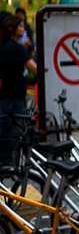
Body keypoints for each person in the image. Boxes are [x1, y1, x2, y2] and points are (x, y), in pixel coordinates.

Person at [0, 14, 37, 164]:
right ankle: (8, 165)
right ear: (12, 29)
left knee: (5, 132)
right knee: (12, 133)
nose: (24, 29)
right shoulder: (16, 48)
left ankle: (5, 164)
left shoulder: (6, 46)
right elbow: (35, 69)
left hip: (6, 95)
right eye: (21, 26)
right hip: (14, 98)